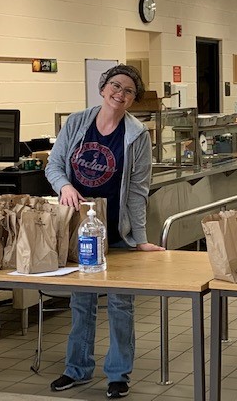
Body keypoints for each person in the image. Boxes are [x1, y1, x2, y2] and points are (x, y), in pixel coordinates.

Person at [45, 64, 164, 399]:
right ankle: (77, 369)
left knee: (120, 305)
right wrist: (65, 186)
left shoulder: (137, 135)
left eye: (128, 91)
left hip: (116, 232)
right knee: (81, 303)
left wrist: (138, 239)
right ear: (103, 88)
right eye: (115, 86)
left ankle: (118, 374)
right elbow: (53, 165)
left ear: (133, 99)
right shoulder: (77, 122)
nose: (120, 94)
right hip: (79, 229)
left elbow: (139, 190)